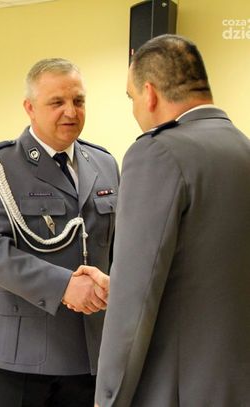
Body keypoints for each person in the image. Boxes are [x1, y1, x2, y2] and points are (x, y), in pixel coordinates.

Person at [94, 34, 250, 407]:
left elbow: (136, 295)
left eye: (131, 97)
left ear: (149, 94)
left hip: (176, 386)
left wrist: (108, 396)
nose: (135, 109)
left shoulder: (157, 152)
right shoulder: (241, 148)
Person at [0, 58, 118, 407]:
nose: (71, 112)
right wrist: (63, 285)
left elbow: (117, 245)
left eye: (78, 101)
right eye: (57, 102)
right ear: (30, 108)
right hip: (24, 350)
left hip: (92, 345)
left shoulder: (103, 162)